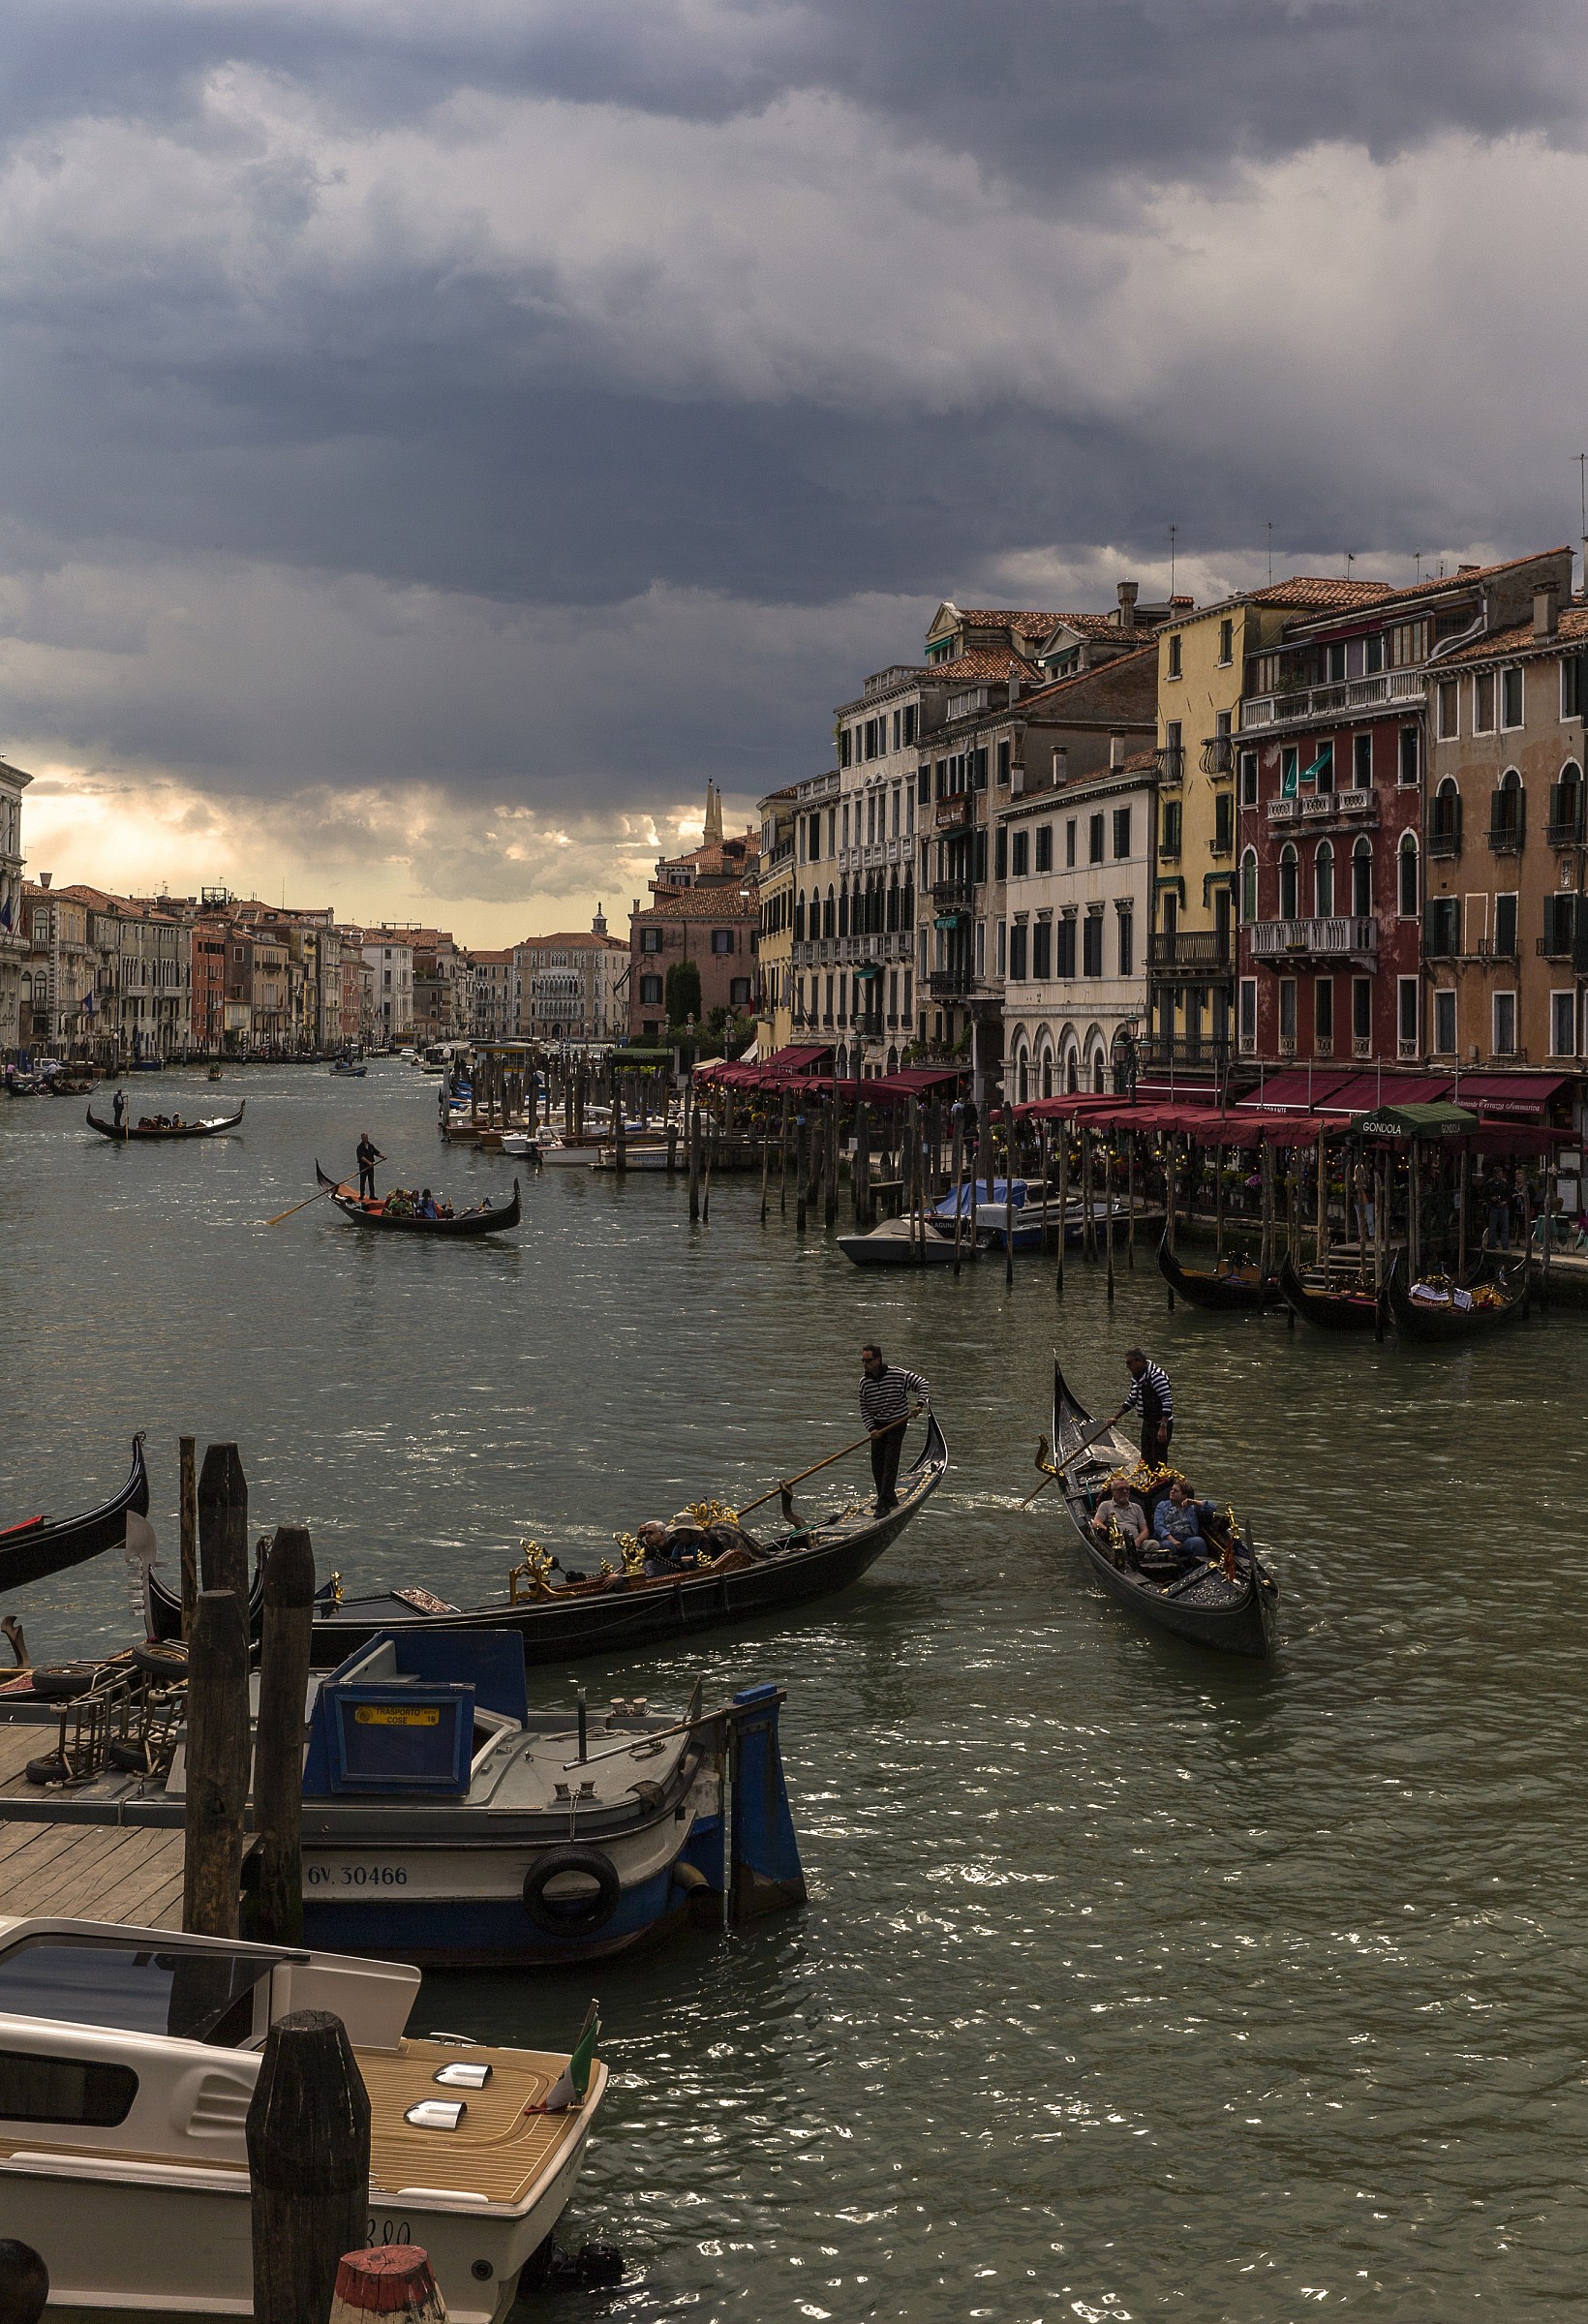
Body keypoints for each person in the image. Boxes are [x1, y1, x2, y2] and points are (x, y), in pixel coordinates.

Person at [859, 1344, 930, 1515]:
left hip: (897, 1423)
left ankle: (883, 1503)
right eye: (863, 1360)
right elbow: (865, 1409)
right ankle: (888, 1497)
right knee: (877, 1465)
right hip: (879, 1426)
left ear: (878, 1359)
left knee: (890, 1462)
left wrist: (919, 1405)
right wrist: (872, 1429)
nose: (865, 1364)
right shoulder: (864, 1383)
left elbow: (922, 1384)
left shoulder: (897, 1374)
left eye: (868, 1360)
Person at [1115, 1348, 1173, 1464]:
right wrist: (1115, 1417)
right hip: (1148, 1423)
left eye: (1129, 1363)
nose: (1127, 1366)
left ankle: (1159, 1481)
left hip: (1160, 1424)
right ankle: (1148, 1480)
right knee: (1146, 1458)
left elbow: (1167, 1401)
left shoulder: (1157, 1376)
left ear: (1139, 1361)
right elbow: (1132, 1399)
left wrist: (1163, 1428)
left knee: (1158, 1459)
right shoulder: (1137, 1378)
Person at [1152, 1478, 1216, 1569]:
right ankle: (1172, 1572)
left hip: (1187, 1540)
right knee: (1166, 1546)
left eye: (1176, 1491)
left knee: (1199, 1542)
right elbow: (1159, 1525)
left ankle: (1197, 1570)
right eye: (1172, 1490)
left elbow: (1212, 1508)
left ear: (1184, 1495)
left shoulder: (1192, 1507)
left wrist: (1194, 1502)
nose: (1172, 1492)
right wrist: (1172, 1540)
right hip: (1168, 1539)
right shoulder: (1162, 1506)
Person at [1090, 1474, 1152, 1558]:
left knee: (1153, 1544)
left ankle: (1144, 1563)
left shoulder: (1137, 1507)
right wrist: (1112, 1533)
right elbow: (1096, 1523)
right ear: (1113, 1492)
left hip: (1137, 1542)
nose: (1125, 1491)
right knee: (1123, 1547)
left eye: (1127, 1489)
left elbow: (1145, 1530)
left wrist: (1137, 1542)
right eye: (1121, 1489)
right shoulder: (1105, 1505)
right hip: (1118, 1543)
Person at [1483, 1161, 1512, 1252]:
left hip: (1503, 1206)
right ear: (1494, 1175)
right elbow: (1484, 1194)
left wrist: (1505, 1202)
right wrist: (1491, 1199)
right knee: (1493, 1226)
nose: (1499, 1176)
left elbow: (1509, 1195)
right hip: (1493, 1206)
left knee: (1505, 1226)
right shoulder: (1489, 1184)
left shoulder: (1505, 1183)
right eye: (1498, 1174)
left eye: (1500, 1174)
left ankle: (1505, 1245)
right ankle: (1491, 1244)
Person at [356, 1132, 384, 1202]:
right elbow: (361, 1157)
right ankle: (362, 1194)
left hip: (371, 1166)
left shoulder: (371, 1146)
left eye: (366, 1137)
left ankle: (372, 1195)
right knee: (363, 1181)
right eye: (364, 1137)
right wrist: (368, 1162)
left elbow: (376, 1152)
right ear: (362, 1138)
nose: (366, 1138)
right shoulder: (360, 1147)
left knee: (371, 1181)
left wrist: (382, 1157)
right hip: (363, 1166)